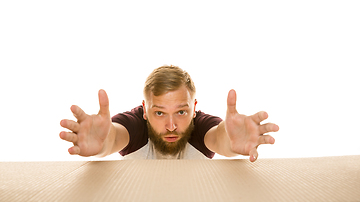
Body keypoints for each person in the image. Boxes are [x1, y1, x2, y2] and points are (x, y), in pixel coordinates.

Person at [59, 65, 279, 162]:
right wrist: (102, 145)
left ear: (194, 109)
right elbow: (114, 137)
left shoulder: (200, 126)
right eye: (160, 113)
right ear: (145, 111)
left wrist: (232, 144)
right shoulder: (135, 125)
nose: (172, 126)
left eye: (182, 112)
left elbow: (219, 137)